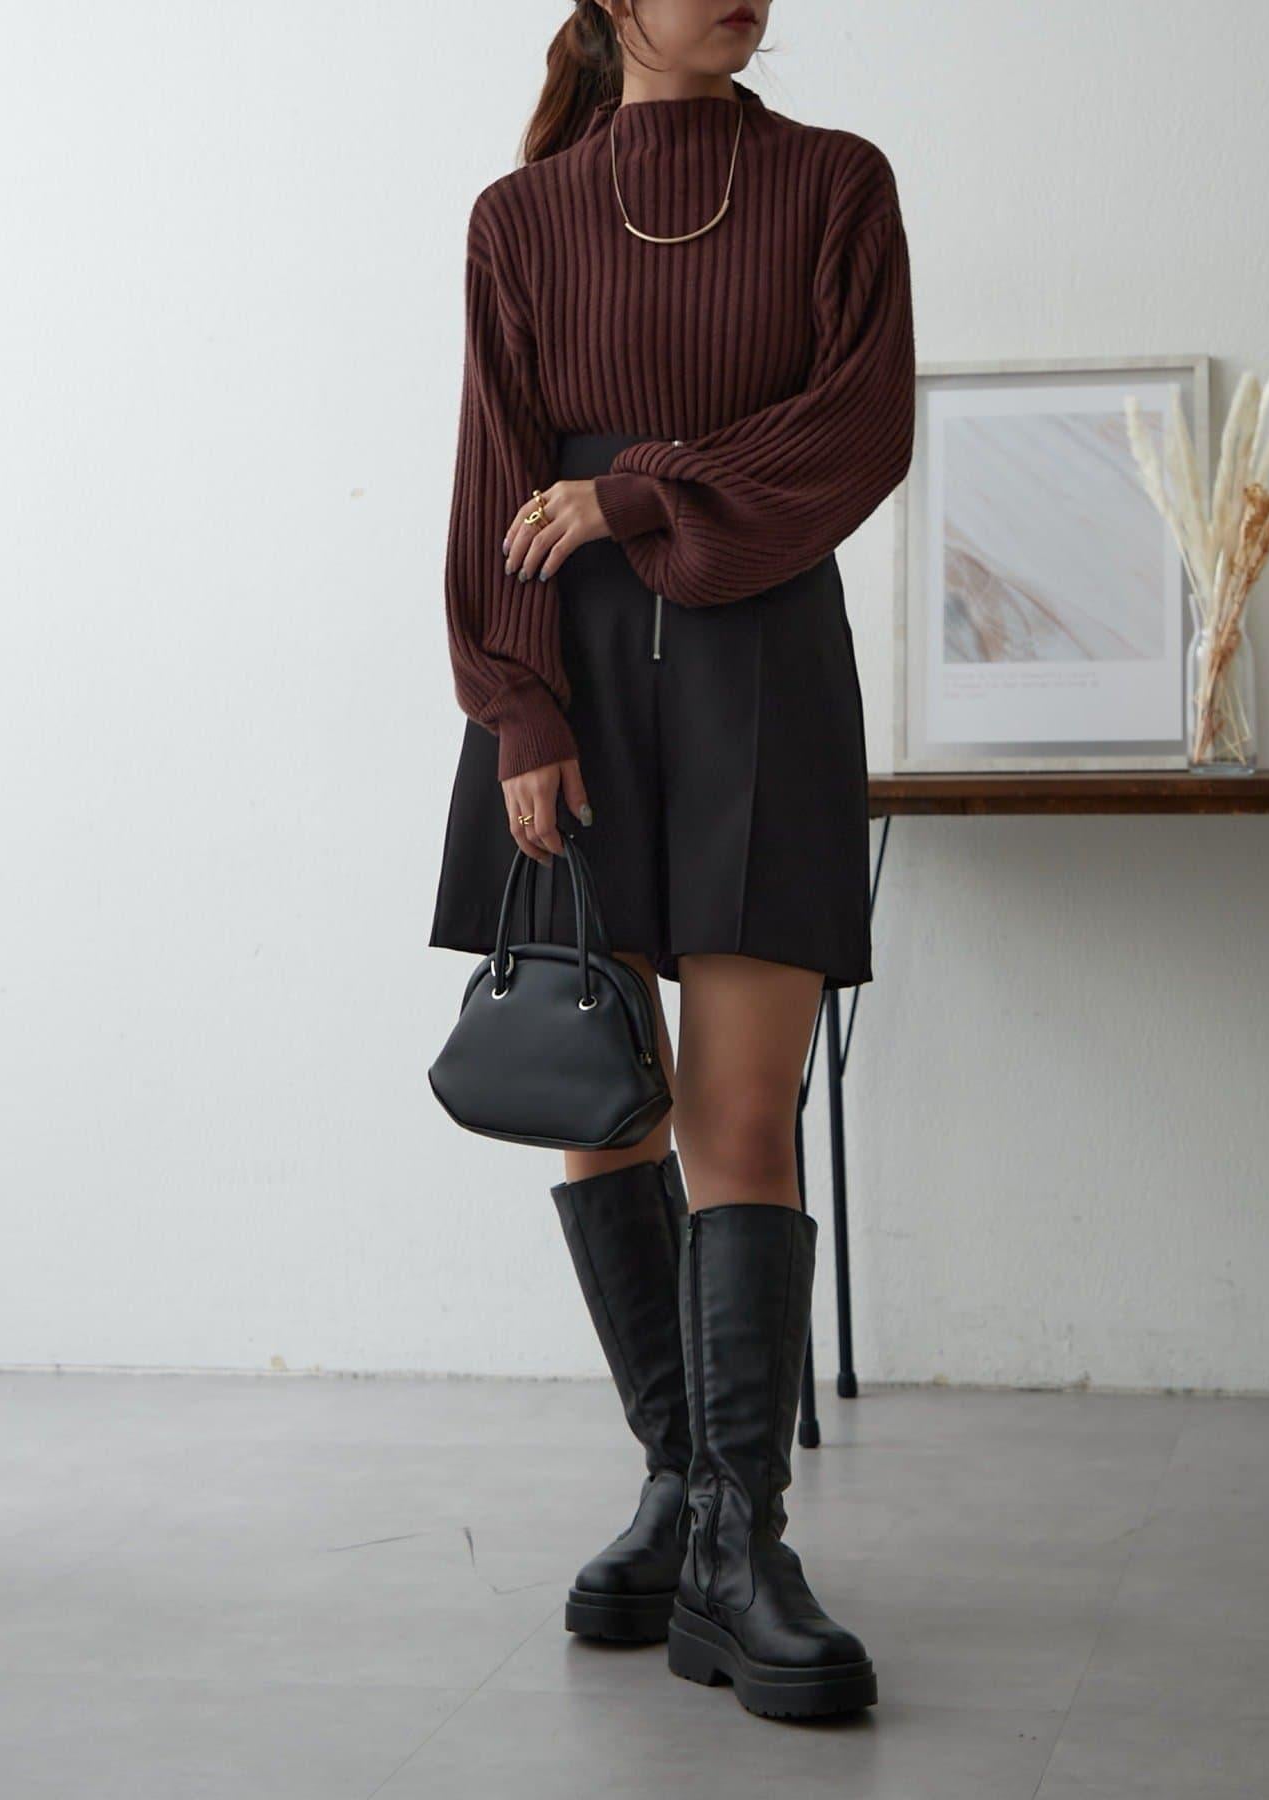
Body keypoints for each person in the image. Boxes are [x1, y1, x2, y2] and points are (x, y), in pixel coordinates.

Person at [429, 0, 914, 1720]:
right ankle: (683, 1495)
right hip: (570, 675)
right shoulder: (523, 217)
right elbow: (495, 466)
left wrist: (641, 494)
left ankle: (738, 1547)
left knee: (741, 1116)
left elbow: (860, 428)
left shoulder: (836, 183)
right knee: (600, 1093)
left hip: (762, 657)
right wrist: (515, 708)